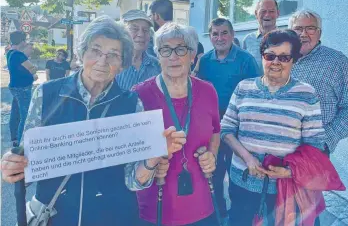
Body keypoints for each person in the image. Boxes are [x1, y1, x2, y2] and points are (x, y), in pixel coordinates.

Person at [0, 16, 185, 226]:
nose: (102, 61)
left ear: (122, 64)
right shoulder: (47, 94)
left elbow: (134, 181)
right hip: (57, 216)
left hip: (113, 217)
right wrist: (12, 165)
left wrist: (153, 158)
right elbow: (28, 161)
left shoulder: (131, 104)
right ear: (82, 53)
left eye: (113, 55)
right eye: (95, 51)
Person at [220, 29, 331, 225]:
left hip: (284, 190)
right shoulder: (243, 88)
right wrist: (247, 158)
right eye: (270, 56)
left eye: (284, 57)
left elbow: (315, 144)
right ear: (262, 56)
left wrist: (290, 171)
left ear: (294, 60)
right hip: (243, 183)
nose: (276, 62)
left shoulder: (306, 94)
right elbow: (226, 129)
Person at [133, 22, 221, 225]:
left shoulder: (208, 92)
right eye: (165, 50)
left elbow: (215, 132)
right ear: (158, 56)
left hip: (201, 204)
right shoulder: (139, 95)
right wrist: (151, 162)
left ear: (192, 56)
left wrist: (212, 156)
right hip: (156, 207)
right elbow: (131, 153)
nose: (173, 56)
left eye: (180, 49)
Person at [196, 18, 260, 222]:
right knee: (214, 169)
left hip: (239, 125)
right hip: (212, 125)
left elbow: (256, 93)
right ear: (210, 36)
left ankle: (237, 214)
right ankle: (218, 211)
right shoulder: (204, 61)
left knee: (237, 169)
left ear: (232, 35)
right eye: (215, 33)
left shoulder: (246, 60)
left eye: (224, 33)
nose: (220, 37)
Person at [289, 9, 348, 155]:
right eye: (298, 28)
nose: (303, 34)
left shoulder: (337, 62)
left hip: (316, 149)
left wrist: (327, 139)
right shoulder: (281, 59)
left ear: (319, 33)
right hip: (279, 145)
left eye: (310, 28)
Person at [116, 9, 161, 90]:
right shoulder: (113, 63)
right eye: (135, 29)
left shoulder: (157, 65)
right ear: (123, 32)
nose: (141, 34)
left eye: (145, 30)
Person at [7, 31, 37, 146]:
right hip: (23, 88)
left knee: (15, 113)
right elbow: (32, 69)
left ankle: (14, 138)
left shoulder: (10, 53)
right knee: (25, 116)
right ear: (22, 41)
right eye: (25, 39)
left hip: (14, 87)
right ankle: (21, 143)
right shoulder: (19, 55)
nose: (26, 42)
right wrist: (34, 71)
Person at [243, 0, 280, 72]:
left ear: (278, 14)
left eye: (271, 11)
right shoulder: (247, 40)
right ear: (256, 14)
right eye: (263, 11)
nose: (267, 15)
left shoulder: (286, 38)